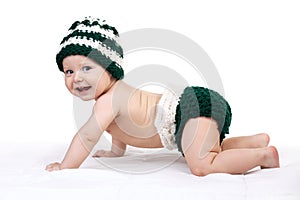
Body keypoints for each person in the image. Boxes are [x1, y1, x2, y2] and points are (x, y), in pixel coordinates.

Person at [46, 17, 280, 176]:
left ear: (110, 69)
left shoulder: (108, 101)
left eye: (86, 68)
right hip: (195, 107)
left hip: (190, 110)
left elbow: (87, 137)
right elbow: (120, 128)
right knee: (210, 148)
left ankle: (263, 156)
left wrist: (66, 166)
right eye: (69, 71)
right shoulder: (112, 98)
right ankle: (253, 142)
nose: (76, 78)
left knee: (201, 164)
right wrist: (116, 152)